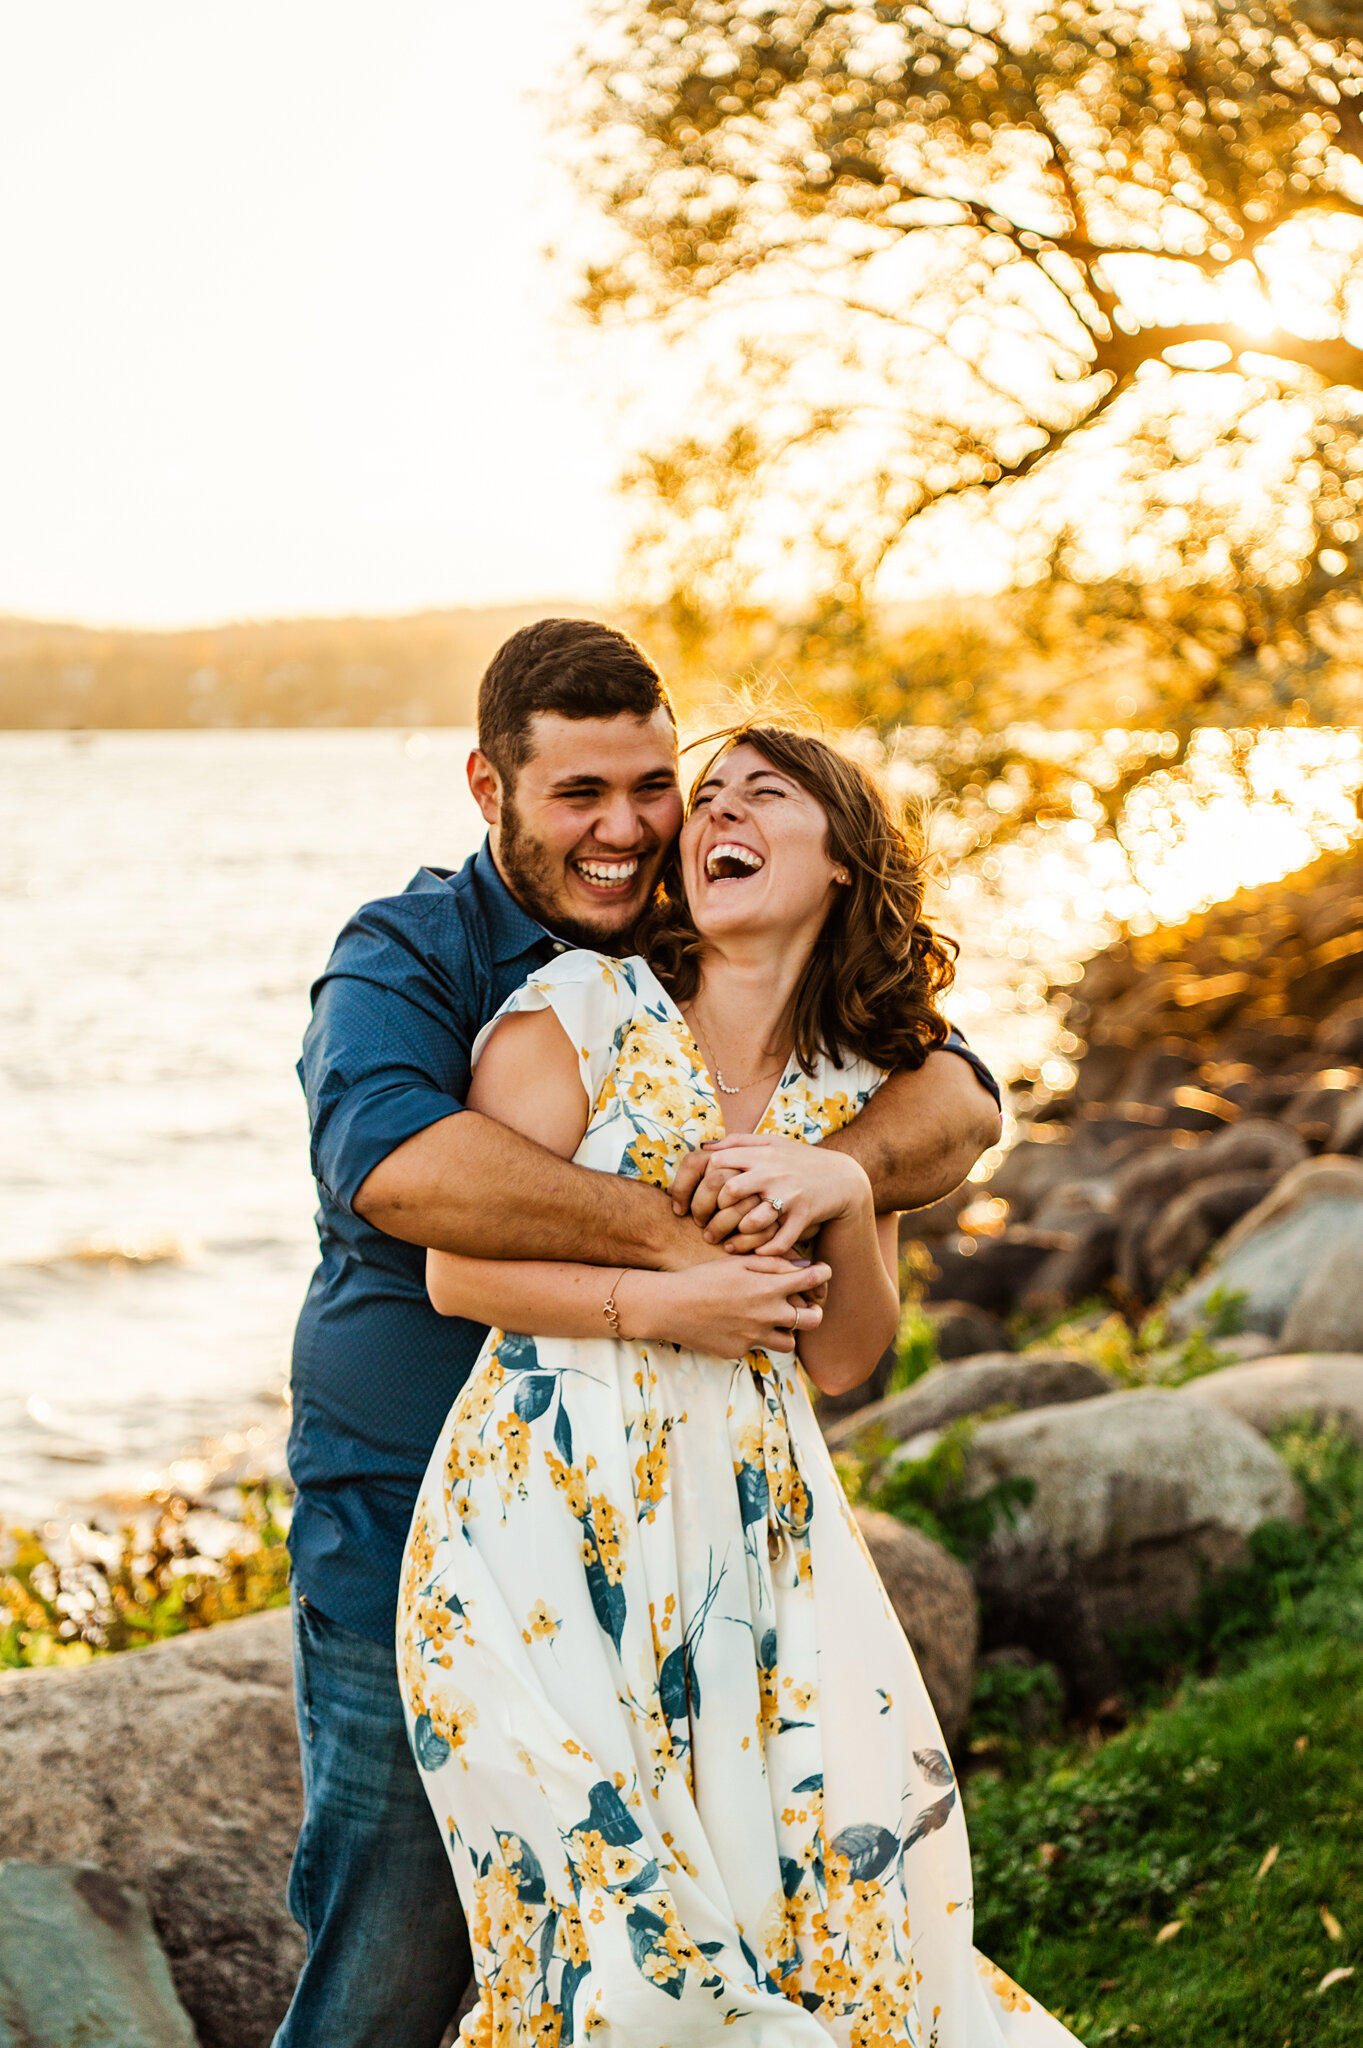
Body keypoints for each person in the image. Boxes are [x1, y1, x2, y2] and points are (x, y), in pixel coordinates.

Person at [276, 620, 1002, 2047]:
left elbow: (959, 1099)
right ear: (488, 788)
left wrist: (840, 1180)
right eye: (579, 796)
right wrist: (687, 1253)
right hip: (423, 1505)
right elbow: (403, 1178)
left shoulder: (773, 1015)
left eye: (654, 787)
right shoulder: (434, 960)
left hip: (703, 1546)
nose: (632, 829)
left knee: (715, 1933)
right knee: (403, 1946)